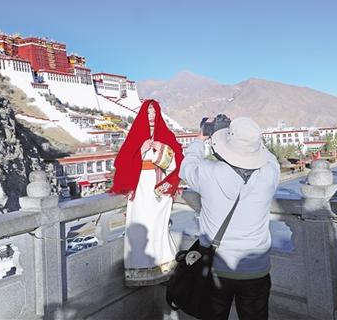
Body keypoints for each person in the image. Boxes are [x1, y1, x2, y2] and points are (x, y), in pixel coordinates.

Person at [179, 117, 280, 320]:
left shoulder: (209, 172)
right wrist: (246, 137)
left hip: (217, 268)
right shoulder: (270, 173)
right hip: (256, 269)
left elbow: (186, 166)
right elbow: (268, 156)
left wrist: (202, 137)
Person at [111, 99, 184, 286]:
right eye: (148, 112)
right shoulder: (135, 134)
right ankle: (141, 270)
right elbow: (121, 162)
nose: (151, 116)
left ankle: (163, 266)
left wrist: (163, 149)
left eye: (154, 112)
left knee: (158, 228)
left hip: (159, 188)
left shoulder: (166, 134)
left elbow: (178, 159)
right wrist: (140, 150)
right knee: (139, 229)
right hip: (140, 187)